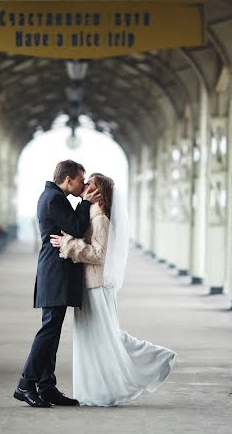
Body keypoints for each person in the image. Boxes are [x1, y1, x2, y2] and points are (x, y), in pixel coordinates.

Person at [51, 172, 176, 406]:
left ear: (99, 192)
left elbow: (99, 255)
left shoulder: (100, 219)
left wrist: (67, 243)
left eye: (91, 184)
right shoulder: (92, 213)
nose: (85, 185)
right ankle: (99, 389)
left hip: (95, 286)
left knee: (102, 337)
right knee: (99, 336)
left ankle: (156, 358)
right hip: (91, 284)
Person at [14, 160, 99, 408]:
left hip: (56, 271)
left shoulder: (54, 196)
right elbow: (76, 226)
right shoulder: (54, 198)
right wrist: (85, 204)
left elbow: (71, 229)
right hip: (55, 272)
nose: (83, 185)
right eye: (81, 180)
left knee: (53, 330)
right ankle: (25, 383)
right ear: (69, 179)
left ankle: (47, 386)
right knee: (49, 330)